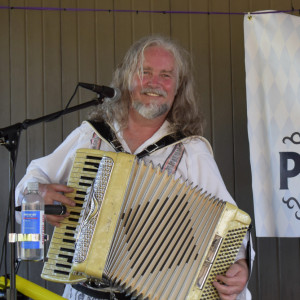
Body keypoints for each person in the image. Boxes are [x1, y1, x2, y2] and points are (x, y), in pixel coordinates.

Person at [15, 35, 254, 300]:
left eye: (166, 75)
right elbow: (31, 182)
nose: (155, 83)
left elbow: (230, 226)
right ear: (127, 79)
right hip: (84, 293)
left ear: (178, 88)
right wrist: (38, 196)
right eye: (145, 72)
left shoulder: (190, 152)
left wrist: (241, 266)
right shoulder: (92, 137)